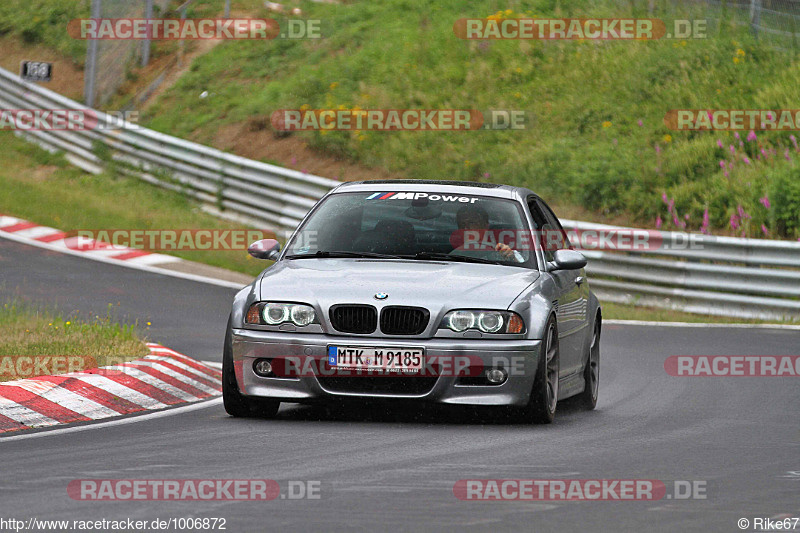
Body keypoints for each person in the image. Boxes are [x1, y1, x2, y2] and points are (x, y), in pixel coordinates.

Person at [453, 204, 522, 262]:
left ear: (486, 225)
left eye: (471, 223)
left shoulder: (503, 250)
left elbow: (523, 272)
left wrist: (511, 257)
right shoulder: (446, 255)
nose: (466, 228)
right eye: (461, 224)